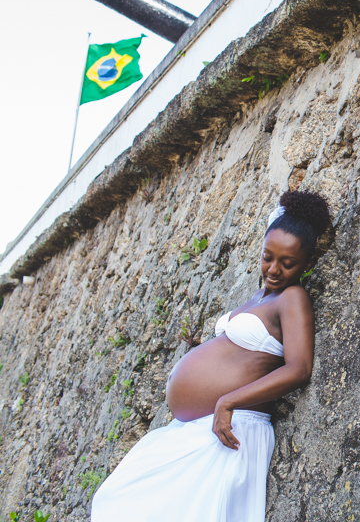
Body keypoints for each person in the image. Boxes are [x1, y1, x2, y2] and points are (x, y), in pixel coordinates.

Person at [91, 189, 331, 522]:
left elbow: (299, 368)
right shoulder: (259, 297)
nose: (274, 269)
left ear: (307, 263)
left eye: (287, 263)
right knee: (119, 499)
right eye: (267, 257)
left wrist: (229, 401)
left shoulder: (292, 299)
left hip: (231, 427)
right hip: (203, 425)